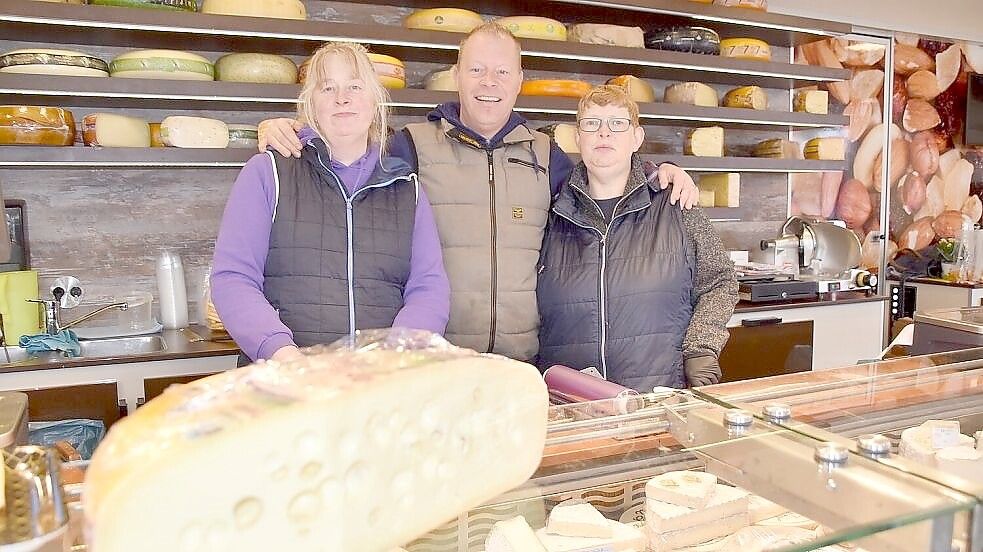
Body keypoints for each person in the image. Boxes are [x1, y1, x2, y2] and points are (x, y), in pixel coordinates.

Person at [257, 23, 698, 362]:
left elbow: (604, 177)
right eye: (477, 69)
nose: (489, 82)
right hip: (436, 362)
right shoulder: (410, 145)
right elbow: (346, 149)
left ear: (519, 79)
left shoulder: (546, 155)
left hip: (524, 362)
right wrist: (294, 130)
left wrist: (658, 171)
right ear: (457, 75)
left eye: (502, 71)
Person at [211, 42, 450, 362]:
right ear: (310, 103)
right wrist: (281, 354)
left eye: (354, 85)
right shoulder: (268, 172)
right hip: (285, 381)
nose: (342, 98)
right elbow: (233, 278)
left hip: (377, 384)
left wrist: (396, 357)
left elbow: (428, 287)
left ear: (375, 99)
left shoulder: (407, 189)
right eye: (328, 88)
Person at [536, 85, 738, 391]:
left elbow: (720, 281)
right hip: (570, 401)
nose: (604, 133)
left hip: (657, 397)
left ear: (637, 138)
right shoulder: (549, 212)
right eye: (592, 124)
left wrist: (701, 345)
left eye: (617, 124)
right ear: (578, 138)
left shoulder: (676, 204)